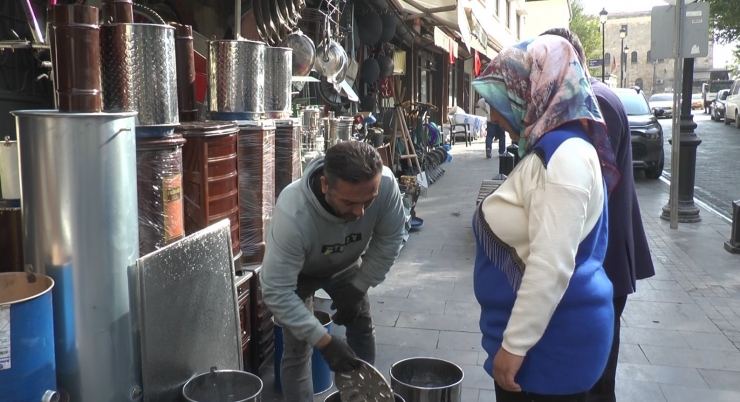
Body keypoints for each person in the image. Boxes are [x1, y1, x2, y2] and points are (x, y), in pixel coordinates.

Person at [471, 35, 622, 401]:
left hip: (548, 353)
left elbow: (551, 264)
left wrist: (515, 346)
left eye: (501, 97)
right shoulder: (556, 148)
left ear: (536, 88)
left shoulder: (564, 156)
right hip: (545, 346)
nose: (492, 114)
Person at [541, 27, 656, 402]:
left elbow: (582, 192)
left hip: (601, 260)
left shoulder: (593, 101)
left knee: (595, 378)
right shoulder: (584, 98)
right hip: (596, 258)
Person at [260, 141, 406, 402]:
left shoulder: (385, 185)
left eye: (368, 202)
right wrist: (324, 341)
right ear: (326, 185)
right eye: (349, 202)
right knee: (298, 350)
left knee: (361, 325)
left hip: (346, 265)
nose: (360, 213)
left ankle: (364, 394)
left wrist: (359, 286)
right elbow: (276, 290)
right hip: (299, 274)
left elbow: (390, 239)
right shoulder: (293, 213)